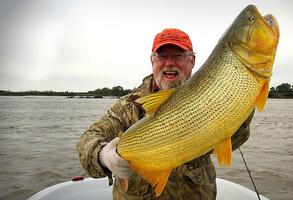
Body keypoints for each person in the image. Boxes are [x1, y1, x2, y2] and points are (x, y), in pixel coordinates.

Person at [76, 28, 254, 200]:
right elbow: (87, 139)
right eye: (162, 56)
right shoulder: (129, 106)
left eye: (178, 55)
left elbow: (234, 140)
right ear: (153, 61)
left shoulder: (213, 97)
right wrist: (103, 156)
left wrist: (241, 101)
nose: (169, 62)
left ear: (192, 61)